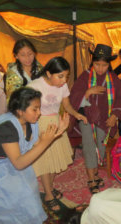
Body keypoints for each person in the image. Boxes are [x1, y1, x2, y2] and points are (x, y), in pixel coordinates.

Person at [0, 87, 69, 224]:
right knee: (10, 208)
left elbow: (34, 146)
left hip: (16, 168)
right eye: (35, 109)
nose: (39, 113)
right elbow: (18, 163)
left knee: (29, 199)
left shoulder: (29, 122)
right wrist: (45, 142)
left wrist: (57, 132)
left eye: (39, 108)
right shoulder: (6, 128)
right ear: (20, 111)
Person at [27, 56, 87, 212]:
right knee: (46, 162)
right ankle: (48, 194)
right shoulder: (35, 86)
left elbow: (66, 104)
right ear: (48, 73)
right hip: (41, 125)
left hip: (57, 125)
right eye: (60, 76)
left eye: (66, 76)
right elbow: (28, 109)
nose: (63, 80)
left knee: (56, 161)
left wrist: (77, 114)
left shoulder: (62, 86)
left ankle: (50, 187)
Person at [69, 44, 121, 194]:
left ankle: (95, 173)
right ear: (92, 62)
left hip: (105, 120)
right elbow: (74, 95)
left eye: (104, 65)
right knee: (89, 146)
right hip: (86, 118)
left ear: (109, 64)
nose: (100, 68)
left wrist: (115, 115)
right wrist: (88, 92)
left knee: (101, 147)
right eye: (97, 64)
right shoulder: (85, 76)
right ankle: (91, 179)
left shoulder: (113, 78)